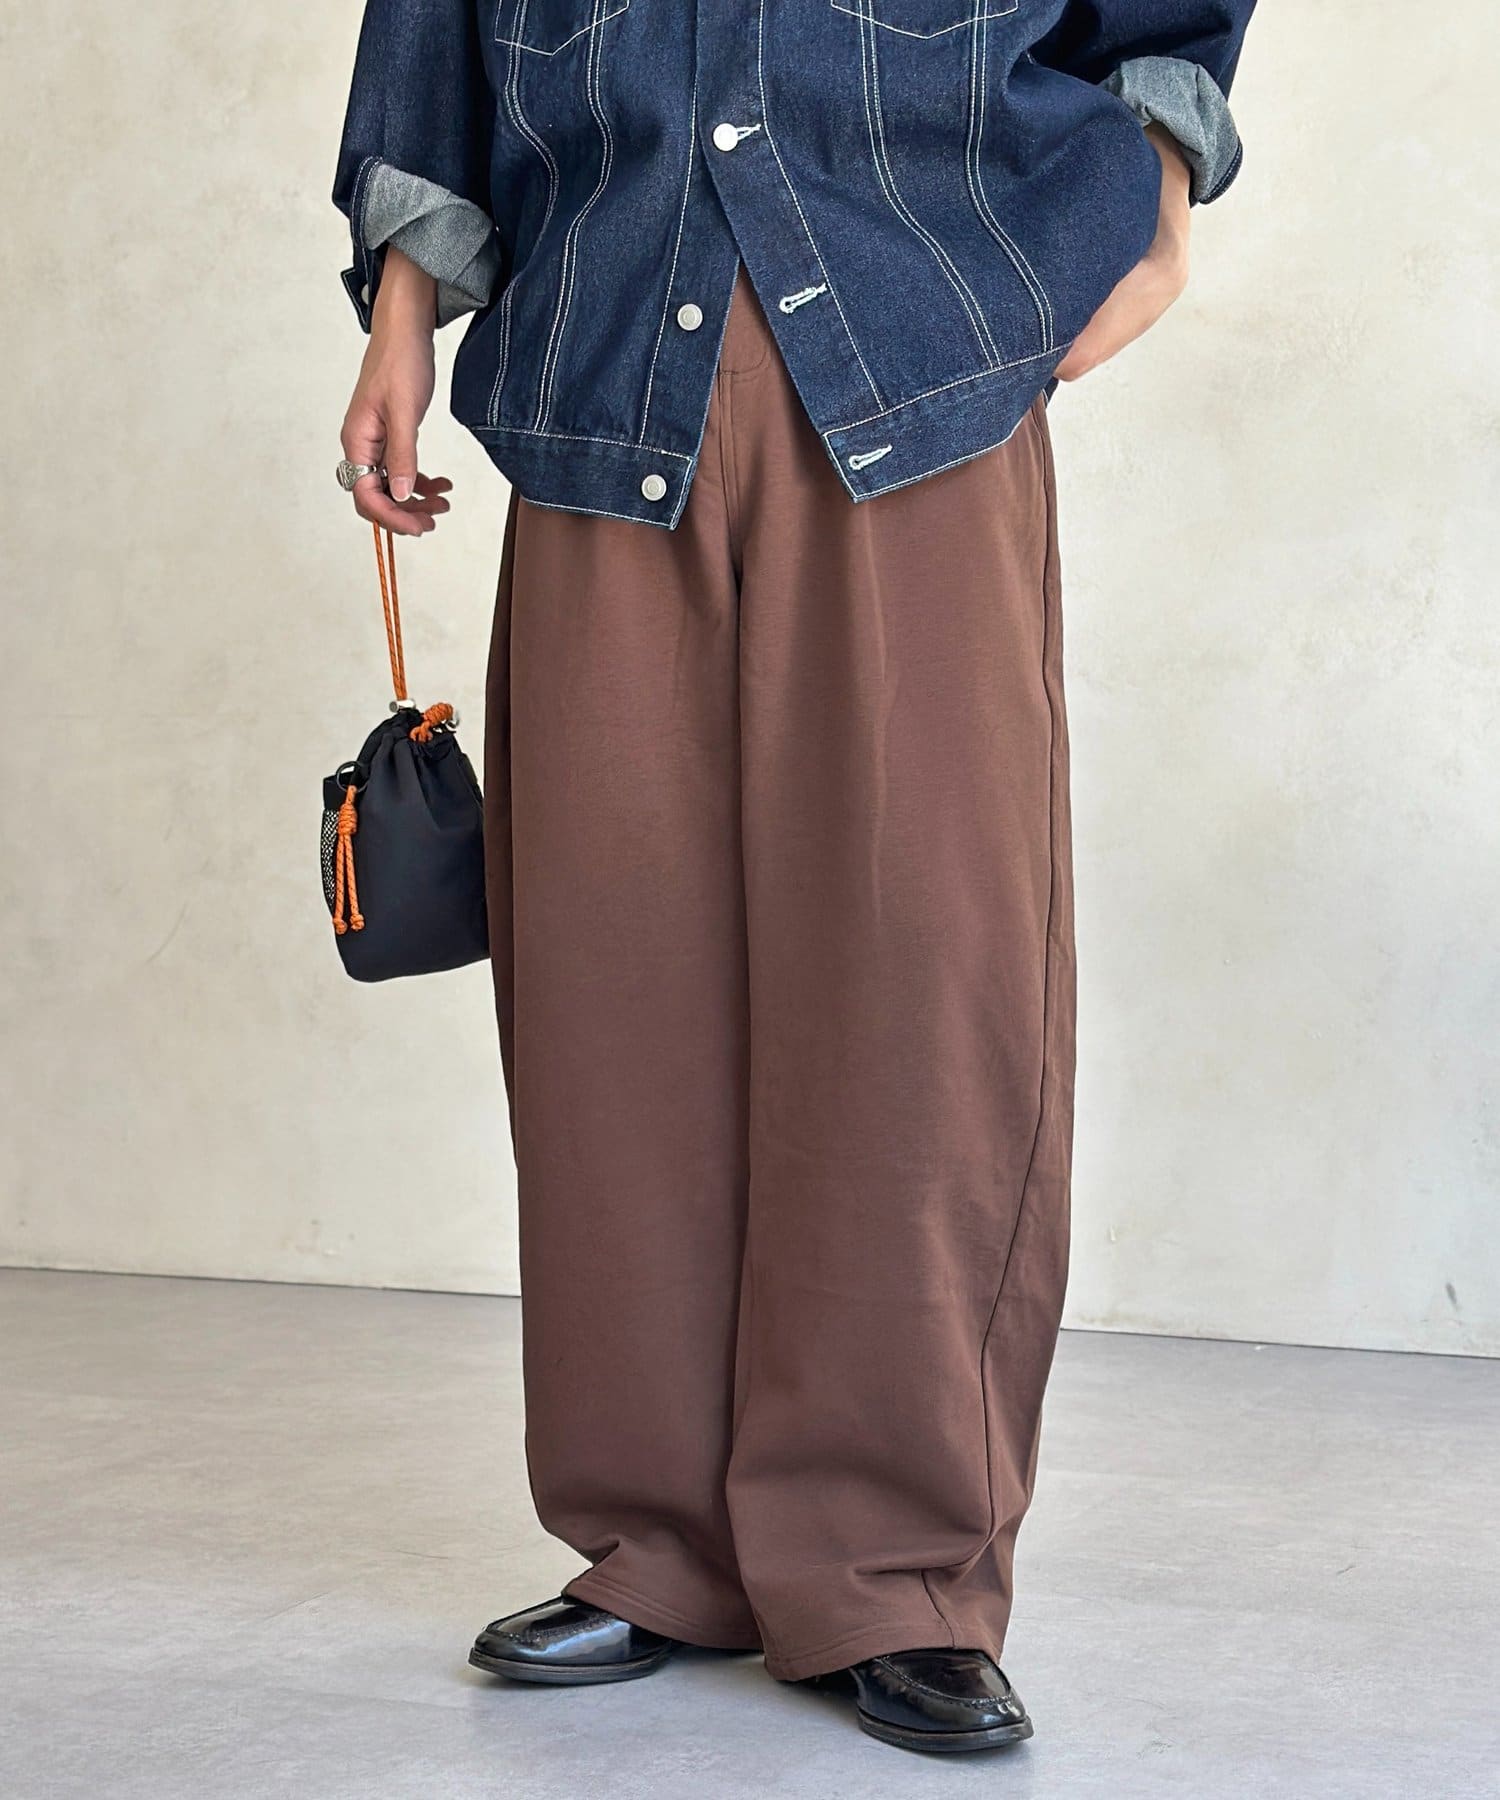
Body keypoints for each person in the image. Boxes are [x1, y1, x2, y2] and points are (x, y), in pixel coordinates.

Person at [334, 0, 1255, 1757]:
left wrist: (1153, 188)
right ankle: (656, 1546)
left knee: (922, 980)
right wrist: (399, 315)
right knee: (615, 989)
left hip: (923, 354)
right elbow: (434, 33)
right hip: (601, 367)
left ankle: (894, 1568)